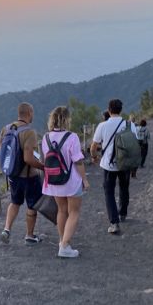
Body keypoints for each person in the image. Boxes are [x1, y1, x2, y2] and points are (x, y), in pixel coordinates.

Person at [41, 106, 89, 258]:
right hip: (71, 181)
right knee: (74, 212)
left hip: (54, 180)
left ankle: (62, 240)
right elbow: (78, 162)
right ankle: (65, 246)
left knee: (61, 211)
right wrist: (85, 180)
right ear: (67, 119)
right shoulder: (72, 137)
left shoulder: (46, 137)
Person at [0, 102, 46, 245]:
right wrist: (42, 167)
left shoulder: (6, 129)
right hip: (28, 176)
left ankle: (6, 230)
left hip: (12, 174)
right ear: (29, 113)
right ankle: (30, 236)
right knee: (32, 205)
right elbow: (28, 159)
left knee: (15, 202)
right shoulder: (29, 132)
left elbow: (0, 150)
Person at [90, 99, 129, 234]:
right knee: (124, 187)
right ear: (121, 110)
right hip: (125, 163)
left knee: (109, 192)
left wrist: (94, 157)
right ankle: (123, 213)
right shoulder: (128, 125)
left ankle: (114, 222)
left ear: (109, 110)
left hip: (108, 164)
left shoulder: (102, 126)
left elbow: (93, 146)